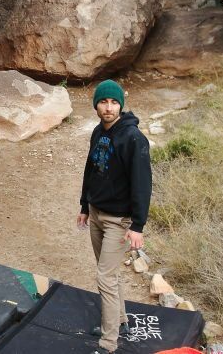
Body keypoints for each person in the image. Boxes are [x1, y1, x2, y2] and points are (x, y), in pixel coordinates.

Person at [76, 79, 152, 354]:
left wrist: (138, 225)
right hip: (96, 214)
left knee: (105, 277)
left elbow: (142, 184)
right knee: (110, 274)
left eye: (114, 102)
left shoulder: (133, 138)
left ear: (121, 105)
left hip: (119, 221)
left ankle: (108, 343)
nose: (108, 107)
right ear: (96, 104)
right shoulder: (98, 132)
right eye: (103, 102)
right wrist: (85, 206)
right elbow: (91, 170)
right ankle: (120, 321)